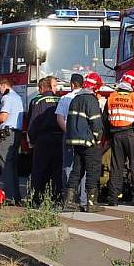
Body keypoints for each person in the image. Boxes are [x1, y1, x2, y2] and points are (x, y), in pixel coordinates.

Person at [104, 70, 134, 206]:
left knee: (116, 167)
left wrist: (109, 136)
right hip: (132, 135)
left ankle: (113, 198)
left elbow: (105, 119)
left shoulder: (111, 97)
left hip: (116, 135)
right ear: (133, 84)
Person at [64, 72, 105, 212]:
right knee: (93, 170)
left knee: (77, 170)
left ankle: (68, 201)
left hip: (76, 141)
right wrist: (98, 138)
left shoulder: (76, 99)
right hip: (89, 142)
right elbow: (96, 122)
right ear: (95, 87)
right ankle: (91, 203)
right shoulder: (91, 99)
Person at [27, 75, 62, 202]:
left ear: (42, 87)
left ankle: (36, 197)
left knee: (39, 169)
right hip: (59, 138)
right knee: (57, 170)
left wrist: (31, 139)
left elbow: (33, 122)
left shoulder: (37, 101)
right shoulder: (60, 100)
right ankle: (56, 197)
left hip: (43, 139)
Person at [56, 73, 87, 207]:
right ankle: (83, 198)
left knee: (68, 166)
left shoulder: (64, 98)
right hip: (84, 137)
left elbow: (59, 118)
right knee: (84, 166)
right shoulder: (88, 98)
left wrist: (68, 132)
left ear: (72, 84)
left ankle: (69, 198)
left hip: (69, 136)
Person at [0, 78, 23, 205]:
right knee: (13, 166)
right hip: (16, 133)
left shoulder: (7, 97)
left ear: (4, 85)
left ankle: (9, 197)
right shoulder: (18, 97)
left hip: (7, 133)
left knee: (6, 166)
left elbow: (3, 117)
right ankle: (16, 196)